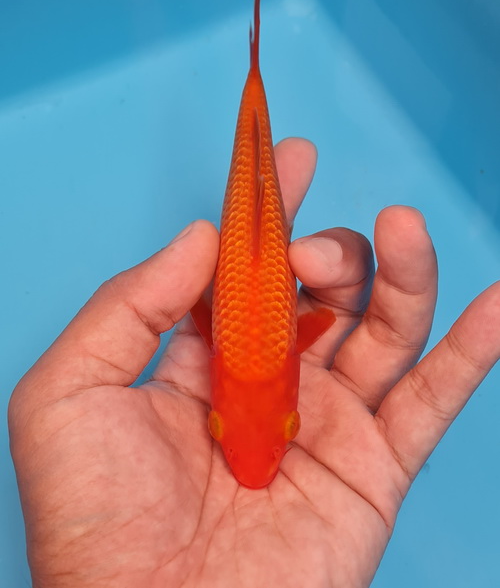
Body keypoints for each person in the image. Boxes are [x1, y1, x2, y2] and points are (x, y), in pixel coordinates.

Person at [8, 138, 499, 588]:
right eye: (289, 426)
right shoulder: (231, 342)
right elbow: (313, 319)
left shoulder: (272, 340)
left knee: (262, 171)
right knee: (262, 171)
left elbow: (315, 321)